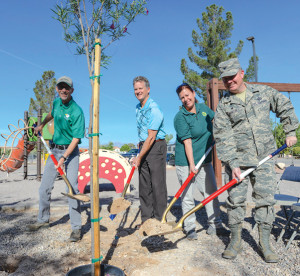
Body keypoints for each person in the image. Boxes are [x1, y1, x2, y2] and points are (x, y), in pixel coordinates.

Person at [213, 58, 299, 262]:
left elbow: (284, 106)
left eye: (232, 76)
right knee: (235, 202)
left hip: (264, 158)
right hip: (239, 163)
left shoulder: (263, 92)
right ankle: (235, 241)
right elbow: (222, 136)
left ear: (241, 73)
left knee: (265, 201)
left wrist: (290, 131)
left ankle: (265, 243)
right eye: (225, 79)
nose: (229, 81)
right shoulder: (224, 105)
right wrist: (232, 163)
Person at [27, 76, 85, 242]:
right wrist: (41, 125)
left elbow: (76, 139)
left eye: (66, 88)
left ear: (72, 90)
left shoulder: (77, 111)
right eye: (61, 87)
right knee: (44, 188)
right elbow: (51, 115)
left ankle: (76, 228)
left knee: (71, 190)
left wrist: (65, 157)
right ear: (57, 89)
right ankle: (43, 220)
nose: (63, 90)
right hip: (54, 150)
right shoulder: (56, 103)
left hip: (71, 152)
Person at [174, 83, 226, 240]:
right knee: (188, 195)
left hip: (204, 159)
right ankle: (189, 227)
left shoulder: (203, 109)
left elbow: (217, 119)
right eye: (182, 97)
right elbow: (187, 142)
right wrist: (191, 164)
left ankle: (215, 224)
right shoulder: (180, 117)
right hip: (185, 161)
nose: (186, 99)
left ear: (194, 93)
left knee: (210, 192)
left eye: (187, 95)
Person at [131, 76, 168, 227]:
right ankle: (146, 219)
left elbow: (151, 136)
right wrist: (140, 150)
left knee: (157, 186)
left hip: (155, 146)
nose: (138, 91)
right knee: (144, 186)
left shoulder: (154, 109)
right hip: (144, 145)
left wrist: (139, 156)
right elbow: (142, 133)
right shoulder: (138, 107)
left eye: (141, 88)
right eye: (135, 89)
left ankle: (159, 220)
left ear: (148, 89)